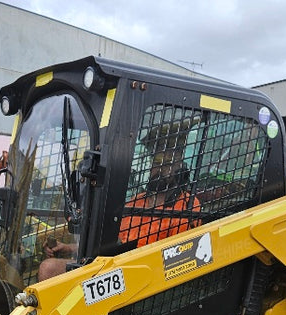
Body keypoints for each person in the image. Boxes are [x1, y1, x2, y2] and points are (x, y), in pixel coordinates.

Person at [38, 116, 200, 281]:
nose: (159, 170)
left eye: (167, 164)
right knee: (51, 268)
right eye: (156, 163)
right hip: (113, 268)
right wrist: (69, 248)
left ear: (180, 168)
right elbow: (115, 243)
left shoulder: (187, 206)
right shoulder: (137, 201)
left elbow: (180, 260)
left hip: (144, 275)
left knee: (49, 268)